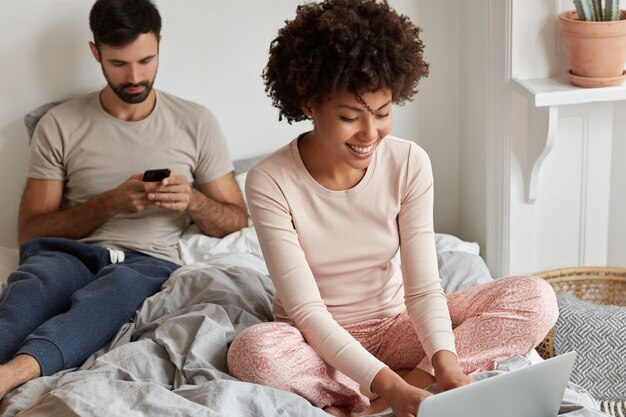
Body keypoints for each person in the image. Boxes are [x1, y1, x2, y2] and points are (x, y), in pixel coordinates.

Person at [226, 1, 559, 416]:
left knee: (536, 298)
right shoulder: (270, 180)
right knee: (253, 351)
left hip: (396, 327)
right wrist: (386, 380)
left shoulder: (409, 162)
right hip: (316, 345)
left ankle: (391, 395)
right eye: (351, 117)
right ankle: (376, 396)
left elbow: (422, 289)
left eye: (383, 114)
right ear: (309, 104)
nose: (370, 134)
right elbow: (308, 314)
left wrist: (446, 362)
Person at [0, 0, 247, 400]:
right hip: (69, 254)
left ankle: (10, 375)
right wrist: (110, 203)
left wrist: (193, 201)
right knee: (34, 287)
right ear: (95, 52)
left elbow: (237, 221)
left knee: (112, 298)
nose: (135, 76)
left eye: (146, 60)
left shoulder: (196, 122)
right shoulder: (59, 124)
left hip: (146, 260)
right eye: (118, 64)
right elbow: (30, 230)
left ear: (160, 46)